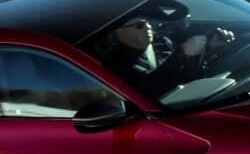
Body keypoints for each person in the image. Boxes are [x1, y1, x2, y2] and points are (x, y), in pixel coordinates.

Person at [98, 16, 235, 100]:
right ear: (115, 32)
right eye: (139, 25)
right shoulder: (116, 65)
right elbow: (151, 92)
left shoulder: (161, 42)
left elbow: (186, 75)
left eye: (147, 22)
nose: (147, 27)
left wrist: (209, 48)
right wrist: (181, 54)